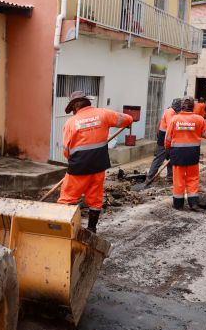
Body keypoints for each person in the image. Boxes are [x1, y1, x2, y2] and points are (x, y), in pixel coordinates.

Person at [59, 90, 133, 232]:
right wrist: (129, 121)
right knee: (95, 198)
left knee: (67, 199)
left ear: (75, 107)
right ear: (88, 102)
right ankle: (92, 229)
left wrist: (75, 161)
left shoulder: (71, 123)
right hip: (99, 165)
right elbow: (127, 119)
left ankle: (64, 230)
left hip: (78, 167)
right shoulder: (103, 114)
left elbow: (66, 151)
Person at [164, 97, 206, 211]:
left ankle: (178, 204)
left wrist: (168, 149)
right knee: (193, 178)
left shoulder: (175, 119)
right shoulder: (199, 119)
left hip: (177, 154)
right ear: (193, 107)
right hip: (193, 153)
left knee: (178, 179)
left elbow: (168, 138)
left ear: (181, 107)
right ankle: (193, 203)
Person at [142, 98, 182, 187]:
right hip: (164, 137)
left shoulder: (174, 112)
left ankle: (170, 177)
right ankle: (150, 177)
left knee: (171, 157)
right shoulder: (170, 112)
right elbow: (171, 126)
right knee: (160, 158)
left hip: (167, 136)